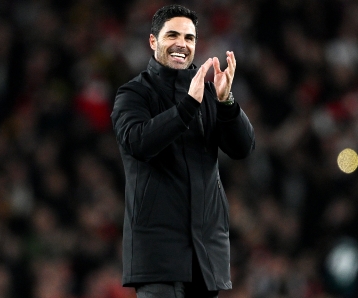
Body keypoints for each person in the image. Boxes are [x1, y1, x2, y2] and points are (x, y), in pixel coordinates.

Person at [110, 4, 255, 298]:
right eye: (172, 35)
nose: (182, 44)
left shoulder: (209, 93)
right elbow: (138, 142)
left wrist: (227, 103)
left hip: (206, 257)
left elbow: (242, 149)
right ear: (153, 41)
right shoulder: (134, 94)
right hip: (159, 258)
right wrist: (188, 106)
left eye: (189, 38)